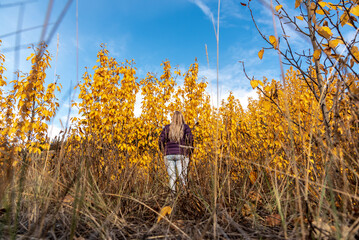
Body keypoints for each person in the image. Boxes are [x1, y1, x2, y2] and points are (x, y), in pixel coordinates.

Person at [159, 111, 193, 193]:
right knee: (182, 177)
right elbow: (190, 140)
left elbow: (160, 140)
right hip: (182, 154)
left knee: (172, 177)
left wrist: (163, 151)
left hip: (169, 155)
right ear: (182, 118)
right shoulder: (185, 127)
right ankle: (184, 196)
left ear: (173, 118)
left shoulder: (167, 128)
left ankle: (172, 196)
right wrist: (189, 152)